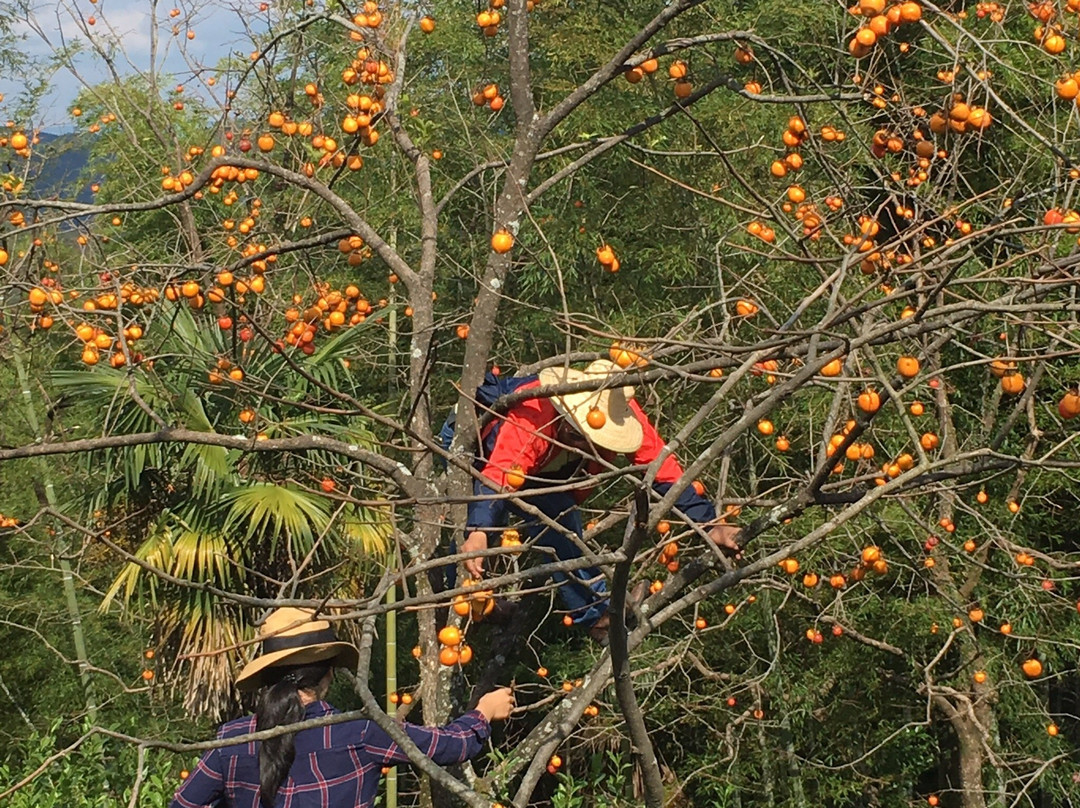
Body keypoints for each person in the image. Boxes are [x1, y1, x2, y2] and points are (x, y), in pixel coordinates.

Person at [457, 359, 740, 640]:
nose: (585, 444)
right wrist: (479, 530)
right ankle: (471, 605)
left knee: (561, 527)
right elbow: (498, 475)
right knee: (469, 535)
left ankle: (599, 615)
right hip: (479, 446)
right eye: (578, 436)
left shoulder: (619, 413)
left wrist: (709, 524)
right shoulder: (533, 414)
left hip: (545, 470)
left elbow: (664, 473)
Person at [171, 607, 514, 808]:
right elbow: (449, 746)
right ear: (329, 673)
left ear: (267, 677)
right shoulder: (359, 730)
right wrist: (483, 713)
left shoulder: (230, 740)